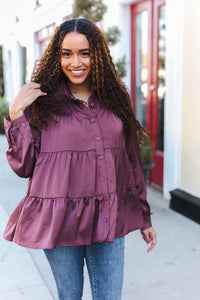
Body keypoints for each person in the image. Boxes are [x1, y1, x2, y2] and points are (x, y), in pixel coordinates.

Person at [4, 18, 156, 300]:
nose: (76, 62)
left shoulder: (116, 98)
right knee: (69, 296)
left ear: (97, 54)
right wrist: (16, 116)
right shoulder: (41, 101)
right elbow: (24, 166)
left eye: (84, 53)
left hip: (108, 215)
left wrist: (144, 217)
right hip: (60, 219)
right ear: (56, 56)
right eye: (67, 53)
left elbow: (132, 160)